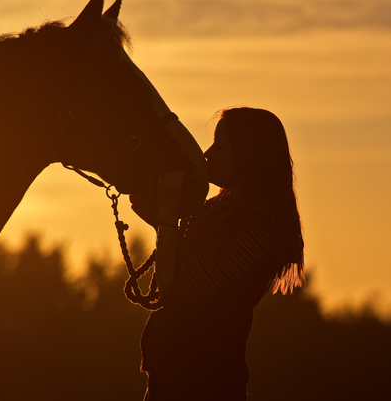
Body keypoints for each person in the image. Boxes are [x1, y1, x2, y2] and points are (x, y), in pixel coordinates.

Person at [128, 107, 304, 401]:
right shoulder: (227, 212)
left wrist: (168, 218)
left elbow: (174, 292)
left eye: (220, 147)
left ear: (248, 158)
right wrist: (161, 220)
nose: (207, 155)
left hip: (200, 386)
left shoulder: (254, 229)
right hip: (181, 381)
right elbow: (181, 272)